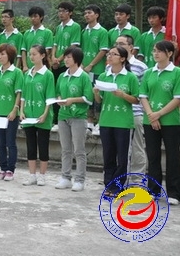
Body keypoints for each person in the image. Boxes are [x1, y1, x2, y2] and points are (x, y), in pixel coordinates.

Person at [93, 46, 139, 197]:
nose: (110, 56)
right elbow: (99, 101)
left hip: (123, 122)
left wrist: (123, 95)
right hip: (106, 120)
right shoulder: (103, 76)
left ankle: (118, 186)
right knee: (108, 155)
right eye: (109, 54)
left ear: (123, 58)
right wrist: (96, 93)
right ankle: (109, 185)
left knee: (123, 156)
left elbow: (136, 99)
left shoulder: (130, 77)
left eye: (114, 54)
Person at [140, 40, 180, 205]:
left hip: (171, 121)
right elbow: (143, 96)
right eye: (154, 50)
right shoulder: (149, 73)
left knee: (172, 156)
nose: (155, 54)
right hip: (149, 120)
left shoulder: (177, 73)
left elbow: (177, 98)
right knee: (153, 156)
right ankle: (153, 190)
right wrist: (151, 115)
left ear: (169, 53)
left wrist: (158, 114)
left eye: (159, 51)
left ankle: (174, 193)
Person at [54, 46, 93, 192]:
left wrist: (72, 100)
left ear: (76, 59)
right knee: (65, 149)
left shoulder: (84, 77)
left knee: (79, 150)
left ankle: (80, 180)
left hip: (78, 116)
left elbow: (88, 98)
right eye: (65, 57)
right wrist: (59, 99)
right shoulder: (62, 76)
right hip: (63, 115)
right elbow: (58, 92)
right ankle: (65, 177)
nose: (65, 59)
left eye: (69, 57)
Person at [20, 45, 55, 186]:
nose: (31, 57)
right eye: (30, 54)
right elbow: (23, 95)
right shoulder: (27, 74)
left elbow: (50, 97)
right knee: (30, 145)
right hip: (28, 114)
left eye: (34, 54)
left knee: (43, 145)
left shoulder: (48, 75)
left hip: (42, 115)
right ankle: (32, 175)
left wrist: (45, 114)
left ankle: (42, 175)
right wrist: (21, 111)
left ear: (42, 55)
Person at [113, 34, 148, 175]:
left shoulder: (141, 67)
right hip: (115, 113)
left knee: (136, 147)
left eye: (121, 44)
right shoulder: (110, 66)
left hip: (134, 112)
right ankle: (118, 179)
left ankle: (137, 179)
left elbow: (144, 93)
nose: (118, 46)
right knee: (117, 149)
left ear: (131, 48)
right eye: (116, 44)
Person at [0, 43, 23, 181]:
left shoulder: (17, 72)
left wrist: (15, 109)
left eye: (3, 54)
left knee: (10, 143)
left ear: (10, 56)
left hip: (10, 113)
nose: (0, 57)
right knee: (0, 143)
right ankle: (2, 168)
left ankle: (10, 170)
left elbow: (19, 93)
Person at [51, 1, 81, 131]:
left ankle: (65, 119)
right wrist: (53, 58)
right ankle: (56, 119)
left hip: (66, 64)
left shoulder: (75, 26)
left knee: (65, 91)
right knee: (56, 91)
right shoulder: (59, 27)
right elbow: (55, 44)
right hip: (56, 64)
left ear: (70, 12)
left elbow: (73, 46)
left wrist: (59, 59)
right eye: (59, 11)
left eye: (63, 11)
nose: (61, 13)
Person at [81, 4, 109, 134]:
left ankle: (99, 122)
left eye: (89, 13)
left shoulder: (102, 31)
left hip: (97, 70)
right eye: (85, 13)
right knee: (88, 94)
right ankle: (89, 122)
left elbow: (103, 50)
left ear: (97, 15)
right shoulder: (84, 31)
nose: (86, 15)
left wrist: (91, 64)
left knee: (98, 95)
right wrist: (82, 64)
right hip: (84, 70)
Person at [21, 6, 53, 73]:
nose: (33, 18)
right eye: (31, 16)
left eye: (35, 16)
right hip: (28, 68)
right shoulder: (27, 33)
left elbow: (47, 50)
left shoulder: (47, 32)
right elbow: (24, 50)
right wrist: (24, 66)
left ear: (41, 17)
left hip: (42, 67)